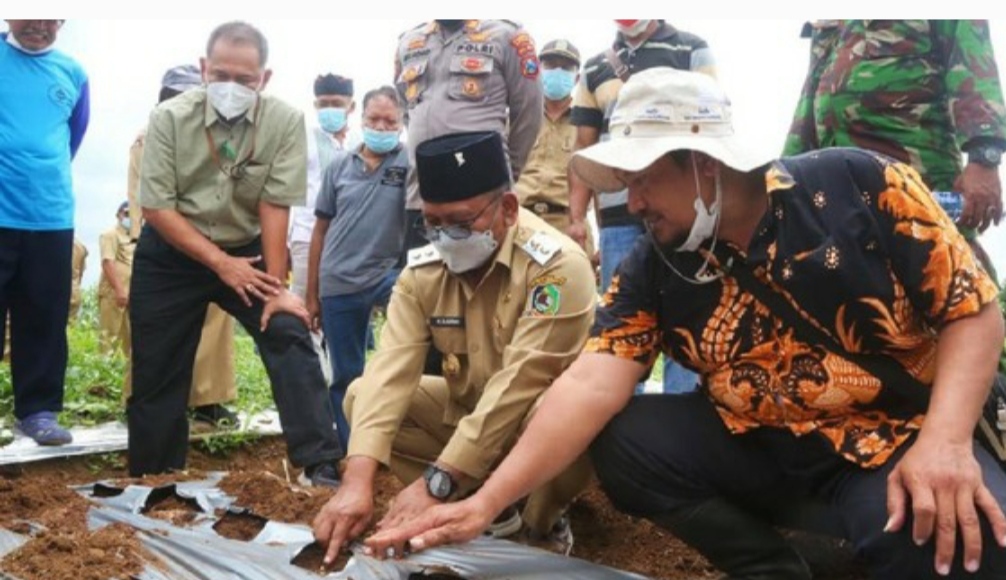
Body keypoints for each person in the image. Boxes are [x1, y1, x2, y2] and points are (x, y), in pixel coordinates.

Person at [364, 68, 1006, 580]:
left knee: (958, 543)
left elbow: (972, 311)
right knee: (628, 440)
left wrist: (945, 444)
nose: (633, 201)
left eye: (642, 180)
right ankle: (777, 567)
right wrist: (482, 502)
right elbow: (589, 384)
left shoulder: (858, 185)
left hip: (894, 441)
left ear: (703, 164)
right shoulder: (658, 265)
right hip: (764, 444)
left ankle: (869, 535)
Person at [312, 131, 596, 565]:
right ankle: (478, 505)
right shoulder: (423, 273)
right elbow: (390, 372)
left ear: (508, 209)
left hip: (537, 432)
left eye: (463, 222)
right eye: (433, 222)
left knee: (556, 412)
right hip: (470, 417)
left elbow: (519, 385)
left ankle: (539, 521)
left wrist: (435, 483)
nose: (447, 237)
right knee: (360, 395)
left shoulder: (556, 267)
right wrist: (357, 480)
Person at [128, 21, 342, 485]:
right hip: (173, 252)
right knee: (158, 369)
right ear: (204, 69)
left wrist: (280, 290)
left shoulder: (284, 121)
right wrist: (220, 265)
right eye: (221, 75)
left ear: (264, 79)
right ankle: (154, 479)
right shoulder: (169, 119)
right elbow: (157, 207)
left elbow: (273, 204)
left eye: (245, 80)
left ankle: (320, 464)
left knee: (287, 329)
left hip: (247, 248)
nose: (231, 87)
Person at [784, 20, 1006, 275]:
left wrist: (984, 157)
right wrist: (784, 181)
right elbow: (813, 100)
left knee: (952, 290)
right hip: (844, 210)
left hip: (922, 196)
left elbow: (973, 60)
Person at [568, 20, 714, 394]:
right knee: (622, 315)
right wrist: (577, 218)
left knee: (687, 304)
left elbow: (711, 124)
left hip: (682, 207)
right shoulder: (595, 67)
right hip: (617, 215)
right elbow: (584, 146)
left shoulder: (691, 47)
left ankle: (685, 404)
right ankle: (619, 404)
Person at [127, 63, 239, 428]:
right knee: (157, 335)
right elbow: (147, 199)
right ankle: (144, 403)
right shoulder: (148, 138)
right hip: (165, 245)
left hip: (212, 242)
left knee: (213, 326)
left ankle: (209, 401)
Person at [306, 85, 408, 454]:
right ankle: (353, 452)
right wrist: (312, 294)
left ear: (401, 123)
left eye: (389, 121)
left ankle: (400, 442)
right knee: (347, 374)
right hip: (339, 280)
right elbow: (320, 230)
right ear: (360, 119)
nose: (381, 127)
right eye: (374, 119)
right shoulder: (338, 167)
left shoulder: (408, 163)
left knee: (403, 358)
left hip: (387, 276)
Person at [1, 19, 89, 446]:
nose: (38, 23)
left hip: (50, 214)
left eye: (49, 15)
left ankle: (37, 412)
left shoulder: (72, 72)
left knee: (44, 315)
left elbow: (72, 137)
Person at [394, 19, 543, 255]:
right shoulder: (409, 42)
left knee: (485, 282)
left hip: (480, 199)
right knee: (422, 281)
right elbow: (407, 111)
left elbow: (529, 113)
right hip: (422, 196)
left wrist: (503, 174)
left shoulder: (507, 36)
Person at [514, 39, 594, 258]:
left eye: (566, 67)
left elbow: (600, 180)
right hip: (519, 221)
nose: (557, 71)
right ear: (538, 71)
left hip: (570, 226)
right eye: (550, 65)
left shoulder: (588, 122)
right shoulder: (517, 116)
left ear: (577, 78)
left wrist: (605, 235)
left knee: (571, 291)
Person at [289, 73, 355, 300]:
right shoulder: (302, 139)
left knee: (341, 301)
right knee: (303, 299)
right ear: (315, 105)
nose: (329, 109)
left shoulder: (358, 144)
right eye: (323, 104)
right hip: (306, 234)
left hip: (346, 238)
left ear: (351, 106)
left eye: (337, 104)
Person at [98, 202, 135, 354]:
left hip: (130, 296)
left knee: (129, 342)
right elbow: (108, 262)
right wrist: (119, 290)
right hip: (114, 295)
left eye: (133, 215)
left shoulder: (134, 237)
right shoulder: (110, 235)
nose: (129, 218)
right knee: (109, 338)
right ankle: (104, 374)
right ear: (118, 215)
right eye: (126, 214)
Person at [69, 237, 88, 321]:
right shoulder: (80, 246)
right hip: (74, 291)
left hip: (56, 292)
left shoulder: (51, 242)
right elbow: (81, 272)